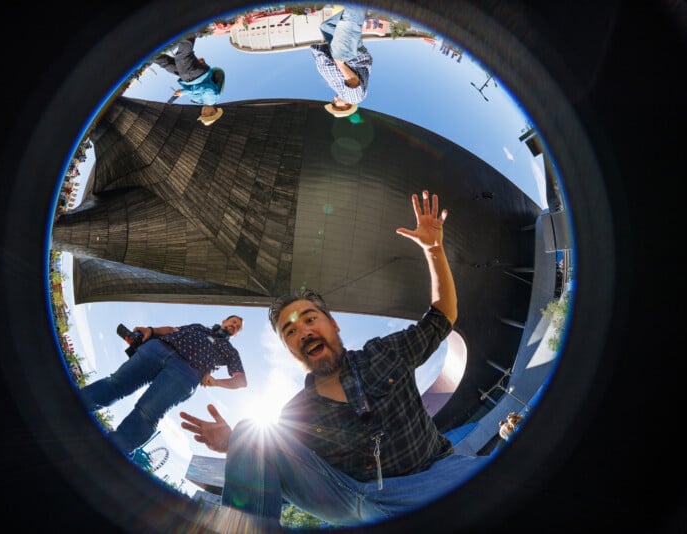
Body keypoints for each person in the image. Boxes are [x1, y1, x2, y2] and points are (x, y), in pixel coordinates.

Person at [180, 190, 490, 528]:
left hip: (430, 478)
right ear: (289, 349)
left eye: (310, 319)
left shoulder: (385, 353)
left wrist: (433, 250)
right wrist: (234, 447)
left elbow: (442, 317)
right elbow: (277, 472)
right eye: (290, 332)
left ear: (333, 324)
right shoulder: (295, 413)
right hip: (352, 498)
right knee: (252, 432)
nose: (304, 332)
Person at [80, 315, 245, 455]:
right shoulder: (199, 327)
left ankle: (107, 456)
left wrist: (216, 382)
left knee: (146, 413)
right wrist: (151, 330)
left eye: (237, 327)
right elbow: (173, 330)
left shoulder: (229, 350)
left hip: (186, 373)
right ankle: (71, 407)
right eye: (233, 322)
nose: (234, 326)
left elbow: (240, 380)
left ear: (236, 334)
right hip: (157, 349)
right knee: (115, 384)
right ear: (224, 321)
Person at [310, 4, 372, 118]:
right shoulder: (353, 98)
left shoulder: (341, 92)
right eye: (334, 104)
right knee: (350, 20)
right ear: (345, 106)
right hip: (345, 57)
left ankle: (360, 9)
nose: (332, 100)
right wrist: (340, 63)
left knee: (327, 26)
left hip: (338, 53)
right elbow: (353, 81)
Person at [153, 36, 225, 125]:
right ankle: (191, 31)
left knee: (166, 64)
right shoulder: (211, 100)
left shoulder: (200, 101)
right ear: (213, 111)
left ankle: (151, 54)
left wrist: (181, 93)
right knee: (182, 57)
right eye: (206, 114)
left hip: (189, 77)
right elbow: (207, 88)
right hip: (195, 76)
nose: (203, 112)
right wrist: (184, 92)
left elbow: (202, 85)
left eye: (202, 114)